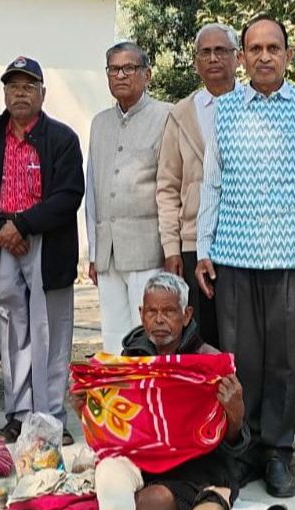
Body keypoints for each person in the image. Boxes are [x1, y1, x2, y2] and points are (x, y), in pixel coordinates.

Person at [195, 15, 295, 498]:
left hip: (292, 260)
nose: (264, 56)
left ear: (287, 54)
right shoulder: (226, 111)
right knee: (239, 364)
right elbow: (212, 185)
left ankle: (277, 453)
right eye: (255, 49)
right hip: (234, 257)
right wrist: (203, 250)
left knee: (283, 364)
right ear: (242, 57)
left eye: (273, 48)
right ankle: (242, 452)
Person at [31, 272, 247, 510]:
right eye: (152, 311)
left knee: (144, 502)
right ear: (141, 314)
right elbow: (112, 429)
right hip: (140, 461)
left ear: (187, 315)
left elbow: (233, 442)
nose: (159, 319)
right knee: (114, 480)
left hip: (196, 468)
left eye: (169, 311)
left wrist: (235, 410)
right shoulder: (130, 359)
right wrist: (85, 409)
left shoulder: (208, 363)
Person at [0, 57, 84, 445]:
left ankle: (50, 418)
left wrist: (23, 225)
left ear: (42, 93)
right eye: (13, 86)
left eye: (28, 86)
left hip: (47, 244)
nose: (20, 93)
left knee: (51, 333)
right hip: (1, 242)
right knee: (12, 332)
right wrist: (0, 227)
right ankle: (17, 416)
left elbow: (69, 195)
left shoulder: (62, 138)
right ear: (4, 93)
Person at [156, 23, 241, 349]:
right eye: (205, 52)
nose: (213, 58)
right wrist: (171, 248)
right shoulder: (181, 115)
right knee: (200, 338)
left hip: (244, 241)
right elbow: (167, 187)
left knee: (241, 337)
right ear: (196, 62)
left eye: (221, 51)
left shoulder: (254, 105)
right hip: (193, 243)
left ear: (237, 58)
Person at [85, 41, 172, 353]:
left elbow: (170, 187)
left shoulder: (166, 116)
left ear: (147, 74)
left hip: (147, 249)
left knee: (148, 334)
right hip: (108, 252)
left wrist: (170, 249)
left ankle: (147, 386)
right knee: (113, 336)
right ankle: (118, 386)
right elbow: (92, 190)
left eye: (129, 68)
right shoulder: (99, 123)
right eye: (113, 69)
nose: (120, 75)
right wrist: (94, 251)